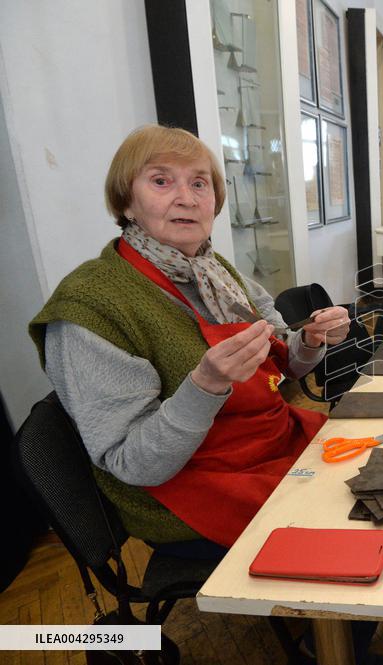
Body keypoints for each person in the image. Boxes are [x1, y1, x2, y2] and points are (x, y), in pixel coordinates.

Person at [28, 124, 353, 553]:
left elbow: (282, 369)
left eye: (200, 183)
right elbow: (133, 462)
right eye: (161, 181)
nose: (187, 197)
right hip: (195, 490)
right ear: (126, 201)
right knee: (357, 523)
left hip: (272, 444)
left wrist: (310, 341)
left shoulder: (218, 273)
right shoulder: (91, 305)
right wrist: (206, 386)